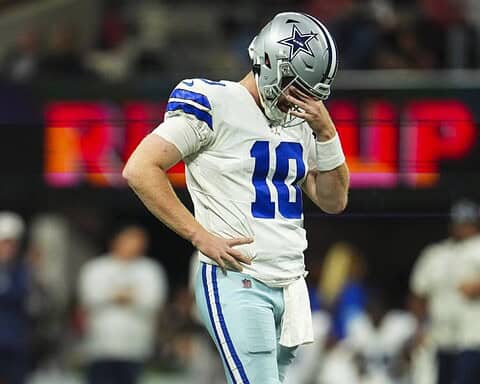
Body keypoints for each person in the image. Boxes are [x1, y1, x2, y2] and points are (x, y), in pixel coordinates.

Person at [123, 11, 349, 383]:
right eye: (296, 85)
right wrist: (198, 234)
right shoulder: (215, 102)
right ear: (268, 61)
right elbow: (140, 168)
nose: (301, 98)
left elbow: (334, 200)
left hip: (291, 281)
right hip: (237, 276)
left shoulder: (303, 122)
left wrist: (326, 131)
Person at [78, 224, 168, 384]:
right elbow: (89, 298)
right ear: (116, 241)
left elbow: (154, 302)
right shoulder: (96, 268)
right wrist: (121, 296)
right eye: (131, 239)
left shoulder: (151, 270)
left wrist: (119, 297)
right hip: (101, 346)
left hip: (136, 346)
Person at [409, 198, 480, 384]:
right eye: (458, 222)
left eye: (467, 222)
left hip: (473, 337)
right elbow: (418, 293)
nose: (462, 226)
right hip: (440, 337)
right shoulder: (436, 253)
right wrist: (418, 327)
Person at [0, 211, 30, 384]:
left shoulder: (21, 270)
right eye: (4, 243)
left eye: (12, 244)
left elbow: (22, 295)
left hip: (14, 341)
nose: (8, 248)